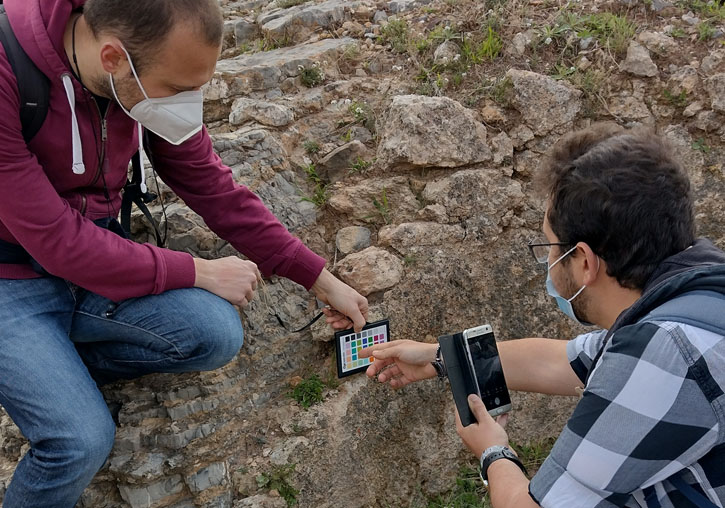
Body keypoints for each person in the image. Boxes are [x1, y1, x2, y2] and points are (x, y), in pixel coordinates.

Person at [0, 0, 368, 505]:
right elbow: (58, 240)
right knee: (78, 440)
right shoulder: (7, 67)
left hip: (93, 266)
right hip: (10, 278)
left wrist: (320, 279)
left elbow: (212, 187)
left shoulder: (139, 72)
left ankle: (50, 363)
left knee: (214, 333)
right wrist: (195, 270)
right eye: (178, 89)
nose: (188, 104)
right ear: (113, 58)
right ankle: (42, 372)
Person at [361, 123, 725, 508]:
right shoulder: (691, 303)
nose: (548, 261)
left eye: (551, 247)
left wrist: (494, 454)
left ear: (584, 261)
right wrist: (440, 358)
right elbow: (562, 363)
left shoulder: (664, 354)